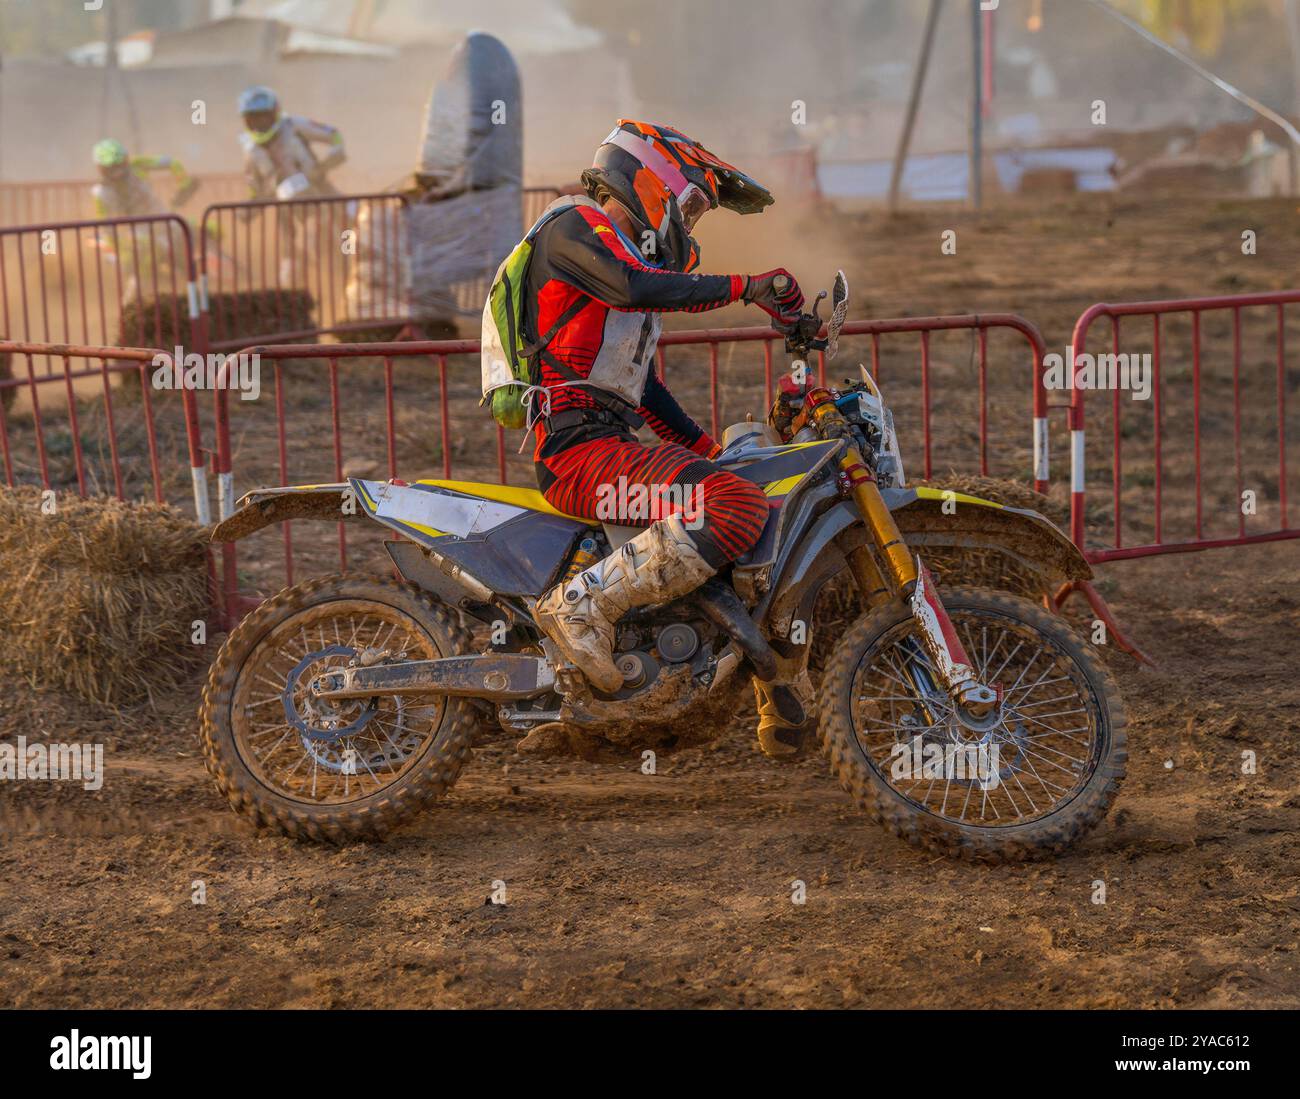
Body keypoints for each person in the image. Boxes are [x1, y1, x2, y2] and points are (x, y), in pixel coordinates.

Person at [515, 119, 809, 757]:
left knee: (739, 488)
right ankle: (579, 607)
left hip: (604, 443)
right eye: (693, 204)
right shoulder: (575, 226)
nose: (693, 222)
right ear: (651, 183)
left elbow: (643, 392)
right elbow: (637, 285)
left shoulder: (616, 264)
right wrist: (751, 287)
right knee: (732, 507)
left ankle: (769, 687)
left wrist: (713, 452)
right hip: (577, 454)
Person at [237, 85, 346, 200]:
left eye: (264, 117)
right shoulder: (250, 149)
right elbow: (254, 189)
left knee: (354, 212)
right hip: (284, 207)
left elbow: (333, 134)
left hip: (321, 190)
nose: (259, 123)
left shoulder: (293, 125)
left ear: (275, 113)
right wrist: (247, 210)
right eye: (253, 119)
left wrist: (332, 158)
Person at [90, 138, 196, 219]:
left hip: (162, 217)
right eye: (111, 168)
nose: (118, 173)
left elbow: (171, 162)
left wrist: (185, 185)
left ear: (126, 160)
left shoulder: (137, 164)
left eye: (120, 165)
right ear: (101, 169)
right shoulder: (100, 192)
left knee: (206, 227)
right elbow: (104, 225)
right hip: (134, 233)